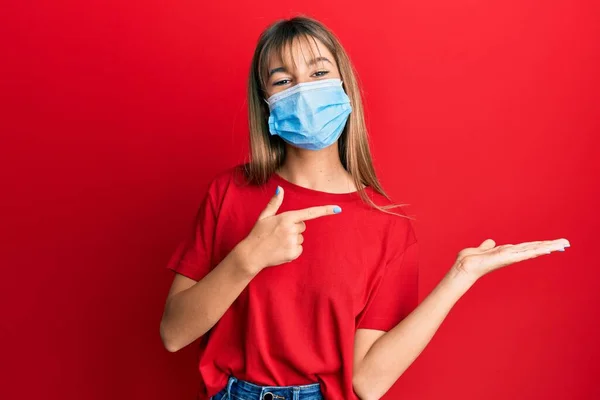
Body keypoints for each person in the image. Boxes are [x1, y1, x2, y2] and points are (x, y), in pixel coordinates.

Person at [159, 15, 570, 400]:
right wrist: (247, 259)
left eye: (319, 73)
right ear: (265, 101)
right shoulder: (230, 192)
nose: (304, 90)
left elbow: (368, 383)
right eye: (283, 80)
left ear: (345, 88)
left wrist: (461, 276)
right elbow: (174, 333)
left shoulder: (387, 226)